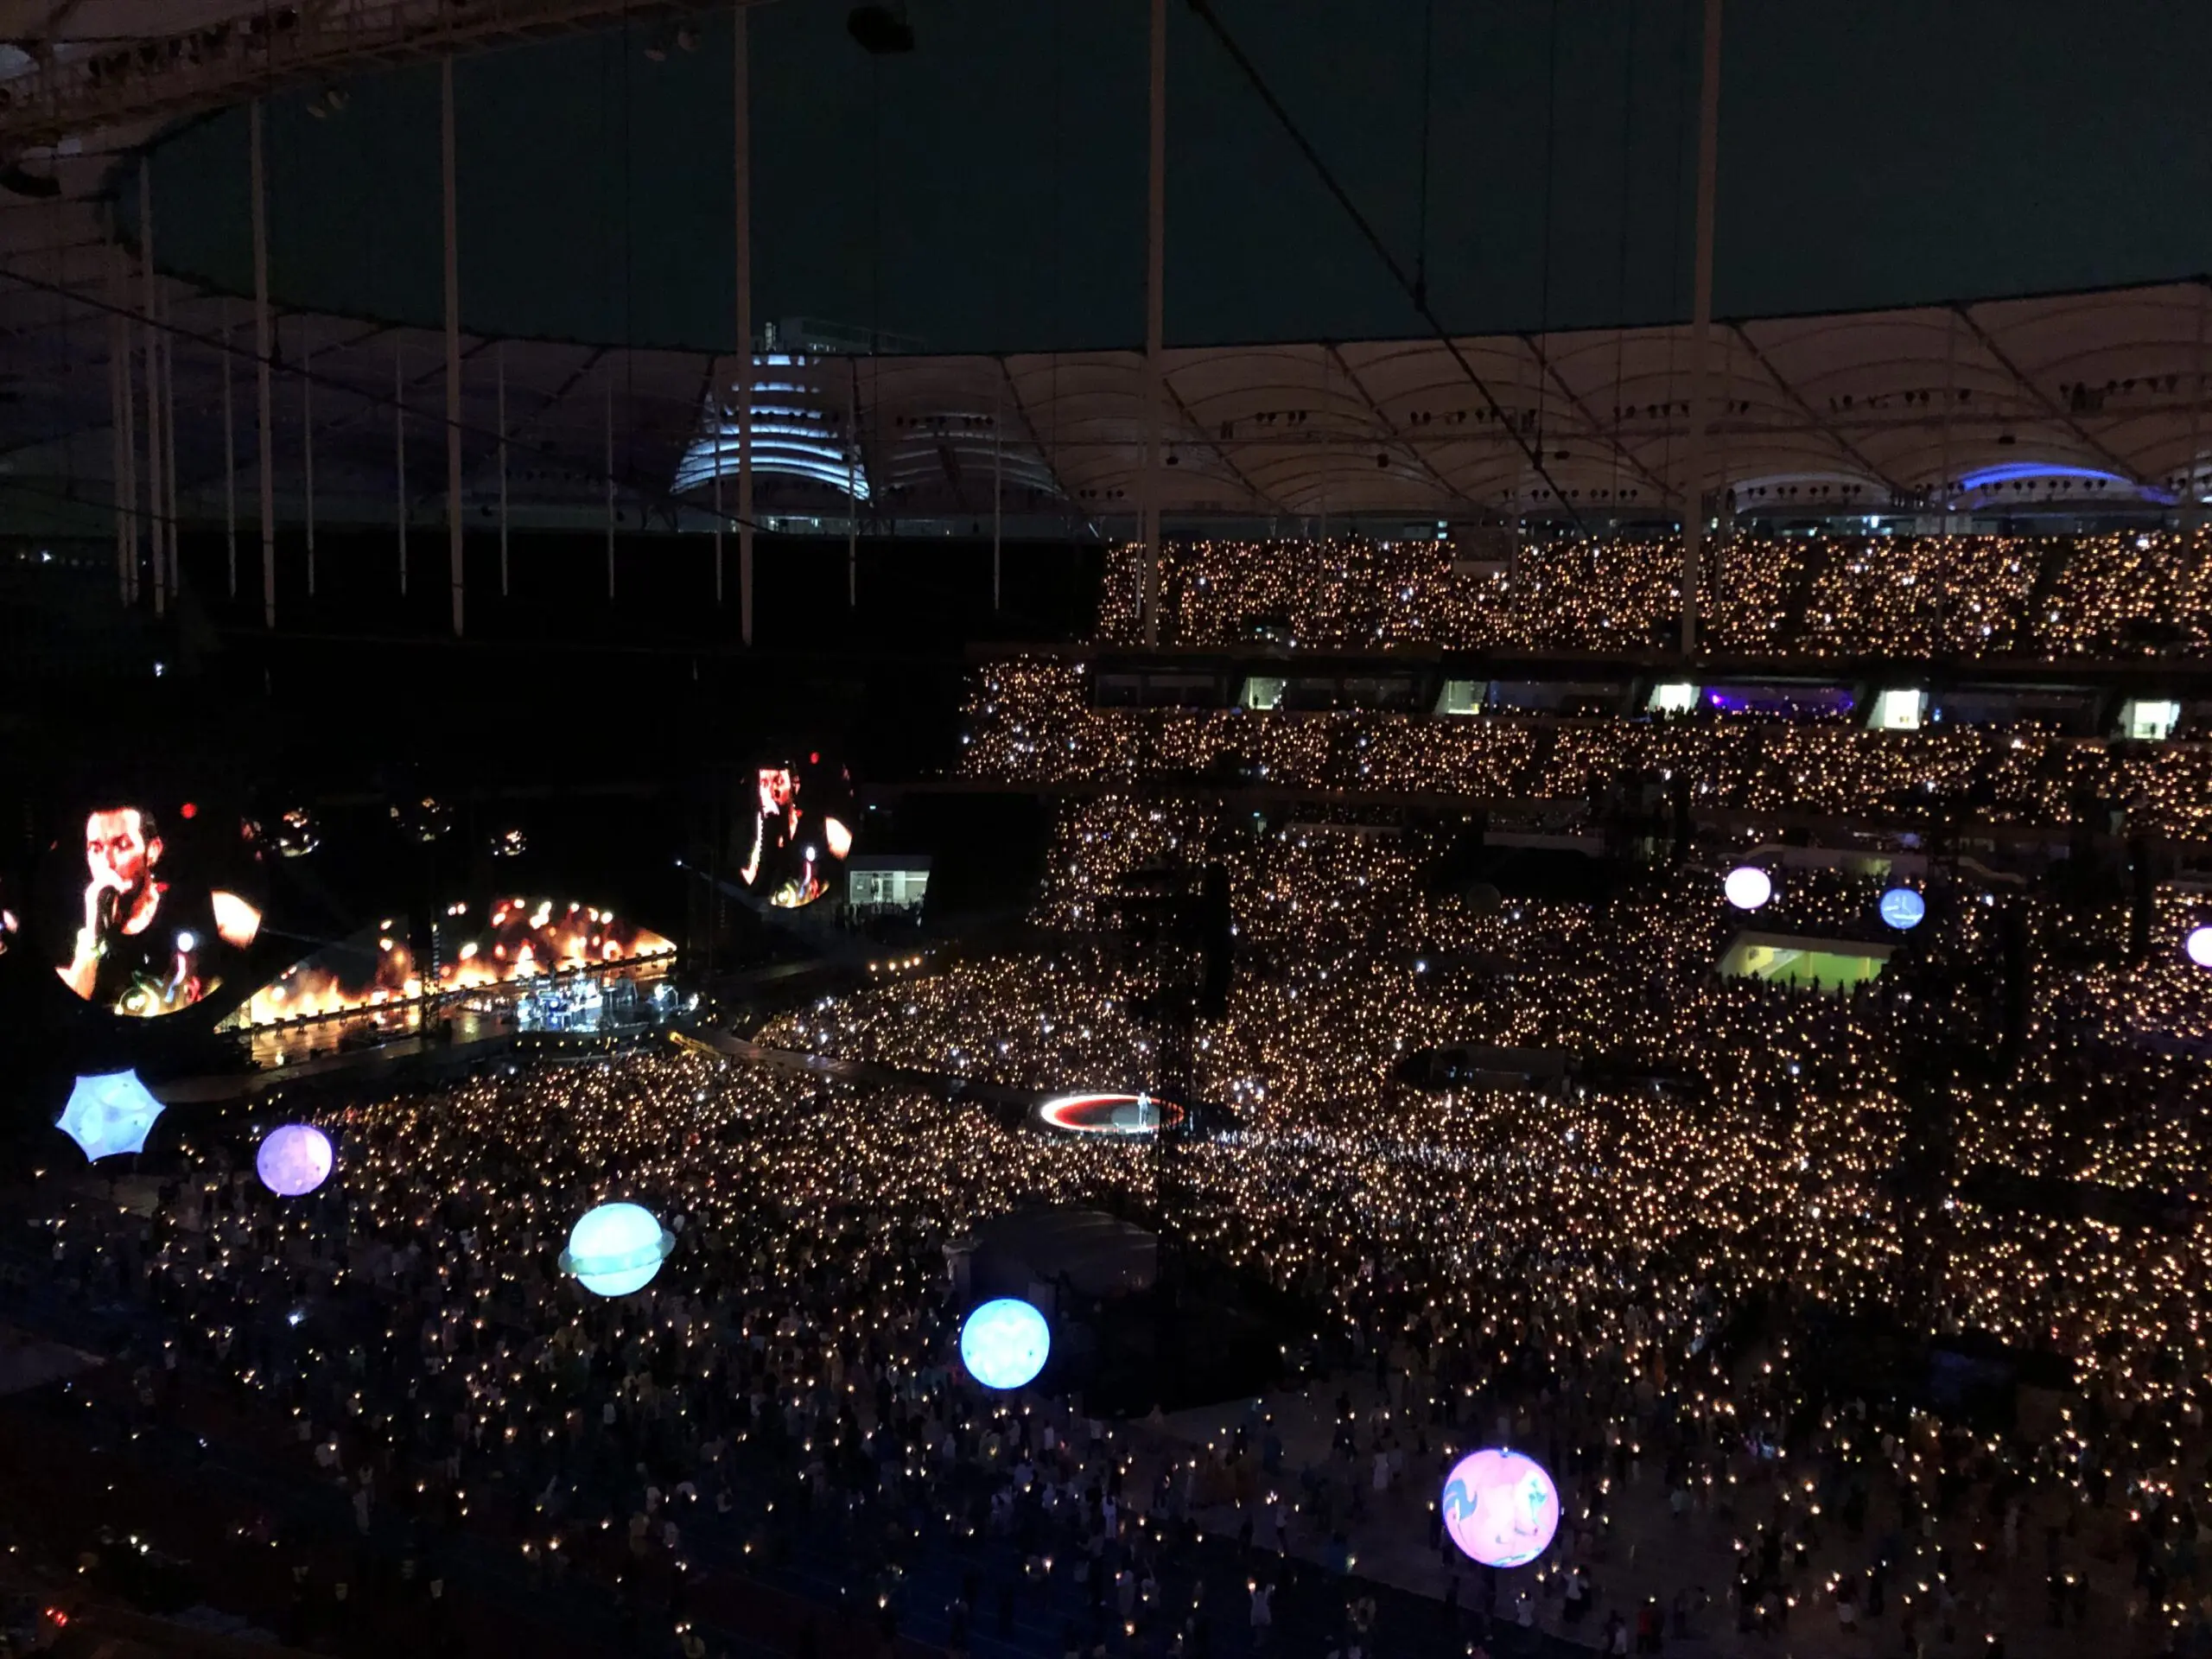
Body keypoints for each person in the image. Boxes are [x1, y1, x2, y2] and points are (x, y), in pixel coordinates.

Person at [56, 804, 259, 1016]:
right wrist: (92, 936)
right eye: (96, 849)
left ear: (152, 851)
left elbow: (275, 946)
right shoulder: (74, 929)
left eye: (122, 845)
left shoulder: (202, 906)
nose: (107, 862)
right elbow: (69, 1012)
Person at [741, 766, 853, 909]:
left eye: (778, 781)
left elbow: (857, 859)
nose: (772, 791)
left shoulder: (822, 827)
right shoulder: (749, 834)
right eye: (764, 783)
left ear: (795, 786)